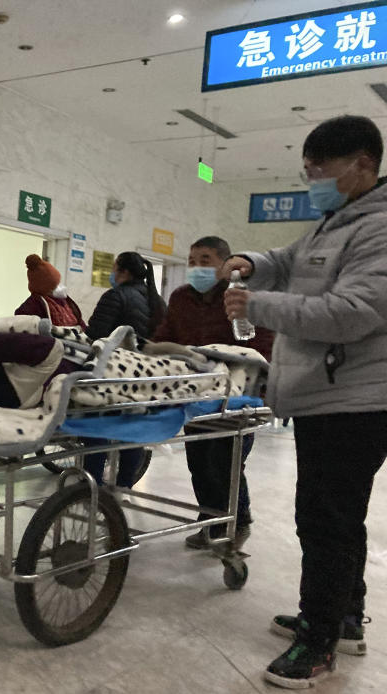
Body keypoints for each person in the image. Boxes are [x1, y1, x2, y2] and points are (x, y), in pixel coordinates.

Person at [221, 115, 387, 689]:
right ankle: (341, 619)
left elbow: (354, 312)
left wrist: (255, 306)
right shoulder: (334, 221)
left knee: (325, 521)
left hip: (355, 400)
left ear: (364, 164)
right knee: (339, 519)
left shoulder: (381, 227)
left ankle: (316, 644)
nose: (312, 177)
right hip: (330, 396)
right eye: (307, 168)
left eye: (322, 168)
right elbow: (289, 261)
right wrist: (251, 261)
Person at [150, 236, 274, 551]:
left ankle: (237, 522)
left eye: (205, 261)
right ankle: (210, 522)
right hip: (195, 392)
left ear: (225, 264)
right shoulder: (180, 298)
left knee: (227, 463)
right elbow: (166, 335)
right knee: (200, 462)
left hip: (235, 395)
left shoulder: (242, 298)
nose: (196, 267)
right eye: (192, 261)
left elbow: (262, 347)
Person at [83, 251, 167, 488]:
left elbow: (95, 335)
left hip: (114, 374)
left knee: (97, 426)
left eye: (114, 268)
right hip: (144, 376)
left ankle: (93, 487)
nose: (111, 273)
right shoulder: (157, 301)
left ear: (124, 272)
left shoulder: (116, 296)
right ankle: (124, 486)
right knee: (133, 430)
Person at [15, 254, 86, 329]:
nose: (60, 287)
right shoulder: (30, 307)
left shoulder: (67, 302)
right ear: (44, 288)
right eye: (55, 285)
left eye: (58, 283)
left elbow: (81, 323)